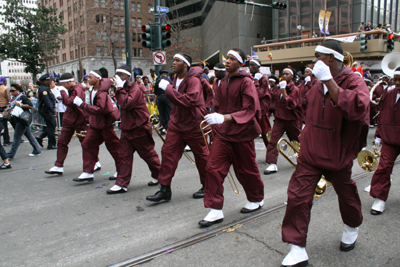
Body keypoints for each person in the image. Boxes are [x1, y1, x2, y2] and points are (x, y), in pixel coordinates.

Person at [280, 41, 369, 267]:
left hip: (337, 154)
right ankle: (297, 247)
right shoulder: (316, 82)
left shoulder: (353, 80)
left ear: (330, 58)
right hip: (311, 153)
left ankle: (351, 226)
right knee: (297, 196)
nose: (313, 61)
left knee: (346, 195)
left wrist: (329, 81)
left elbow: (358, 108)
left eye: (317, 56)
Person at [198, 48, 265, 227]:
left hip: (242, 134)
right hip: (224, 134)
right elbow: (217, 105)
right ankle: (215, 209)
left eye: (231, 58)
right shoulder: (220, 82)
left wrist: (225, 117)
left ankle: (256, 198)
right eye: (226, 58)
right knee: (212, 168)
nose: (226, 61)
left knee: (246, 171)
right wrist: (214, 118)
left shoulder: (246, 82)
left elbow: (249, 109)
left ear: (240, 63)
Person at [146, 53, 209, 202]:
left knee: (202, 156)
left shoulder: (193, 80)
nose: (173, 63)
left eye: (177, 61)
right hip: (177, 124)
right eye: (173, 60)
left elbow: (190, 100)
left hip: (193, 124)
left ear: (185, 65)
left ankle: (208, 186)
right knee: (168, 153)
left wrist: (168, 89)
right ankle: (164, 189)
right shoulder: (175, 78)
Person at [106, 66, 161, 194]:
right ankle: (121, 184)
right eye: (117, 74)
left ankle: (160, 175)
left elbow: (126, 103)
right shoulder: (123, 89)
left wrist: (119, 89)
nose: (117, 77)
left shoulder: (135, 89)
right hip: (127, 129)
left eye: (120, 75)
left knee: (148, 154)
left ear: (126, 77)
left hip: (139, 128)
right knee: (124, 156)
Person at [72, 70, 120, 182]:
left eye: (91, 77)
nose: (88, 79)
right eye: (88, 77)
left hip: (105, 125)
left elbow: (100, 109)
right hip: (96, 125)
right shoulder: (93, 90)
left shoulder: (101, 93)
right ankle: (88, 172)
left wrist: (82, 105)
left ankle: (121, 171)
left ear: (98, 78)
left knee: (114, 148)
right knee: (87, 145)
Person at [369, 67, 400, 215]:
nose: (397, 82)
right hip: (390, 139)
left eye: (399, 79)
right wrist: (379, 136)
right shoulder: (389, 93)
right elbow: (382, 116)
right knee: (383, 168)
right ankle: (379, 199)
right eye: (395, 79)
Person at [45, 73, 88, 175]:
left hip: (77, 119)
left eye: (65, 84)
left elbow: (70, 102)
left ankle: (93, 163)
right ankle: (59, 165)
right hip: (72, 119)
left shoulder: (77, 89)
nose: (63, 86)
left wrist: (63, 93)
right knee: (62, 142)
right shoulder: (76, 88)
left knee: (85, 143)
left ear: (70, 81)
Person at [264, 67, 301, 175]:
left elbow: (292, 104)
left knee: (296, 141)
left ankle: (302, 160)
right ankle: (272, 163)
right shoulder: (279, 87)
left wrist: (284, 90)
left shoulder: (295, 89)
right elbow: (273, 102)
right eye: (283, 74)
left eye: (287, 74)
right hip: (279, 119)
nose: (284, 76)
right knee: (273, 140)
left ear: (292, 76)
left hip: (291, 119)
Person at [6, 84, 42, 159]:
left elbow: (31, 105)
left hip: (22, 119)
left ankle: (11, 154)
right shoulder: (14, 98)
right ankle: (36, 149)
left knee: (17, 137)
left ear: (17, 90)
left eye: (13, 90)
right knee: (29, 135)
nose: (11, 92)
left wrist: (20, 105)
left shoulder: (22, 97)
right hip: (19, 119)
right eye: (10, 91)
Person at [249, 58, 271, 150]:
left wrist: (256, 81)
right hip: (251, 109)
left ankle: (271, 154)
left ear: (258, 66)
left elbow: (259, 94)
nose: (250, 67)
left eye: (253, 65)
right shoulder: (250, 78)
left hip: (261, 109)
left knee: (266, 132)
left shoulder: (263, 79)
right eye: (250, 65)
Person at [36, 73, 57, 150]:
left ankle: (40, 137)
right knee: (52, 126)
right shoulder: (44, 89)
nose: (50, 81)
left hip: (46, 110)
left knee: (51, 125)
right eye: (48, 80)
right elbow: (47, 101)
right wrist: (53, 110)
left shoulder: (45, 88)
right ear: (44, 81)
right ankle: (51, 144)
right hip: (46, 110)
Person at [0, 76, 11, 146]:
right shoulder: (6, 88)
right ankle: (6, 140)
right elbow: (8, 98)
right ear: (5, 81)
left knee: (2, 124)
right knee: (5, 124)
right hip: (4, 107)